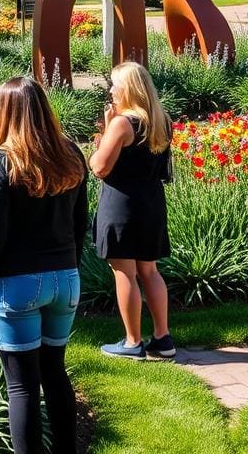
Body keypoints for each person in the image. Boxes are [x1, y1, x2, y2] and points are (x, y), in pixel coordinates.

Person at [0, 76, 87, 454]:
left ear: (6, 112)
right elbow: (81, 221)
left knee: (21, 387)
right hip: (65, 279)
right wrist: (69, 266)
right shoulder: (71, 153)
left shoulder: (2, 161)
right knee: (55, 374)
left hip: (15, 285)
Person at [90, 61, 173, 360]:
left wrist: (104, 131)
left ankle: (132, 342)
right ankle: (163, 339)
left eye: (115, 85)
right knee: (149, 270)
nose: (111, 90)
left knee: (123, 270)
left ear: (129, 89)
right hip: (151, 201)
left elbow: (99, 166)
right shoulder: (161, 119)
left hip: (122, 204)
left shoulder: (123, 123)